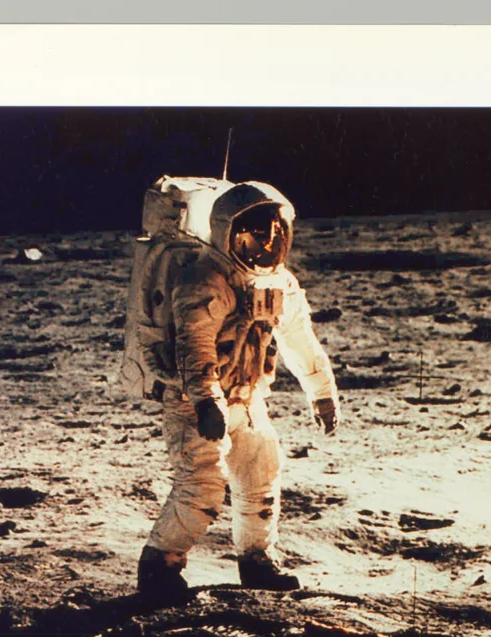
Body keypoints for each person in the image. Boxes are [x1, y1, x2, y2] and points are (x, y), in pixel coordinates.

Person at [120, 176, 340, 603]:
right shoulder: (204, 280)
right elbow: (195, 347)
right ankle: (159, 566)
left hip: (247, 397)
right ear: (228, 232)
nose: (268, 242)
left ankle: (257, 560)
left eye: (276, 231)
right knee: (203, 484)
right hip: (194, 403)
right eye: (257, 233)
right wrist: (207, 401)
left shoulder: (280, 284)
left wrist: (322, 392)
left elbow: (300, 341)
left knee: (262, 470)